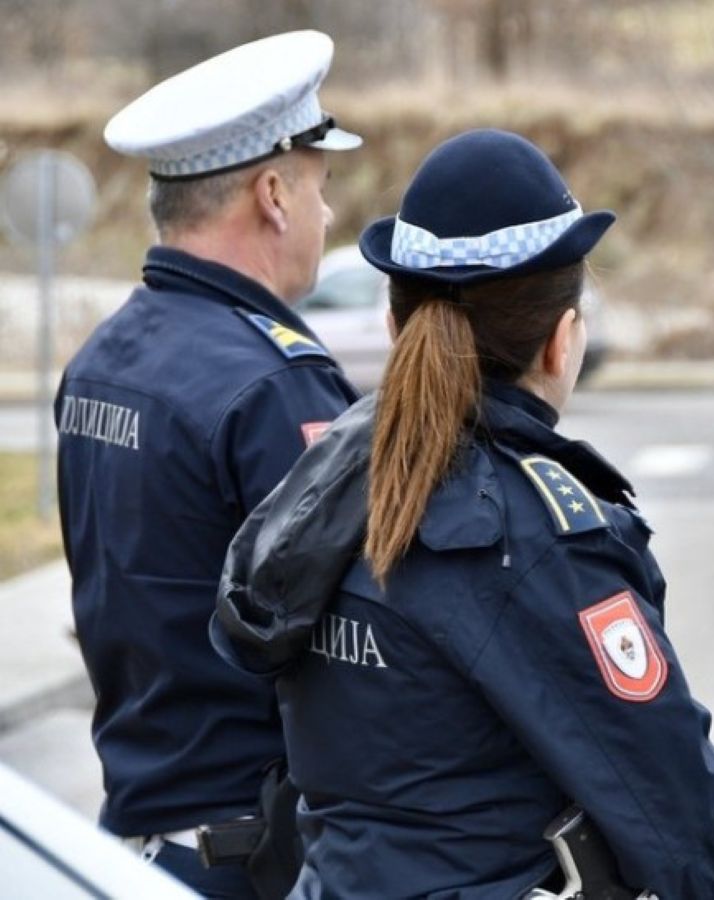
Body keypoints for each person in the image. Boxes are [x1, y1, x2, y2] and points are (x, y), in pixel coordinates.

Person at [212, 129, 714, 898]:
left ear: (395, 329)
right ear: (562, 342)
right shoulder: (536, 540)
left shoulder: (328, 486)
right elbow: (691, 835)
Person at [55, 31, 361, 897]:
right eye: (319, 186)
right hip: (251, 861)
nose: (327, 215)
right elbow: (360, 650)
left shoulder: (103, 358)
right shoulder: (273, 386)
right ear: (273, 196)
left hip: (135, 844)